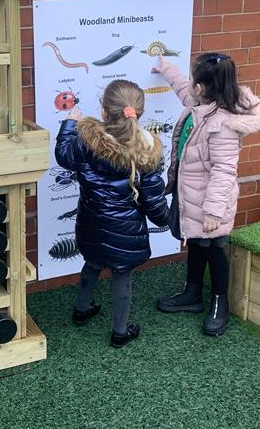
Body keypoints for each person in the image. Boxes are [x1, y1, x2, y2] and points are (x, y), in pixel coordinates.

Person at [153, 53, 260, 336]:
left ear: (203, 87)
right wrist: (165, 68)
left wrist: (213, 213)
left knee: (214, 249)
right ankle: (192, 293)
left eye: (195, 80)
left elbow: (224, 171)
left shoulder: (223, 125)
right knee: (195, 243)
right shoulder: (201, 104)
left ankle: (220, 302)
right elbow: (183, 88)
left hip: (210, 203)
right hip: (189, 193)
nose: (190, 84)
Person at [55, 79, 170, 348]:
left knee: (92, 263)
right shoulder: (147, 151)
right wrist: (168, 220)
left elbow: (63, 155)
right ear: (138, 113)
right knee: (122, 275)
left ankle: (81, 309)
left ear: (103, 111)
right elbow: (153, 202)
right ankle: (120, 332)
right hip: (126, 231)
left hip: (91, 222)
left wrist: (71, 123)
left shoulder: (85, 141)